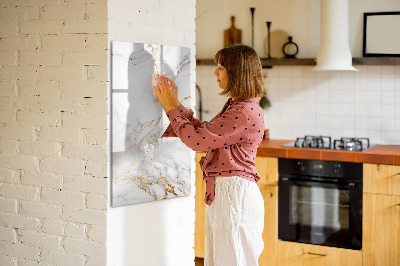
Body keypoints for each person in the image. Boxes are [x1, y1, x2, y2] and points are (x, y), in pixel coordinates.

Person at [153, 44, 266, 266]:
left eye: (221, 67)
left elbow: (197, 141)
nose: (215, 72)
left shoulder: (243, 111)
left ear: (237, 71)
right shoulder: (239, 106)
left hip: (234, 195)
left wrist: (169, 108)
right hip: (228, 193)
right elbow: (205, 133)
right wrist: (175, 103)